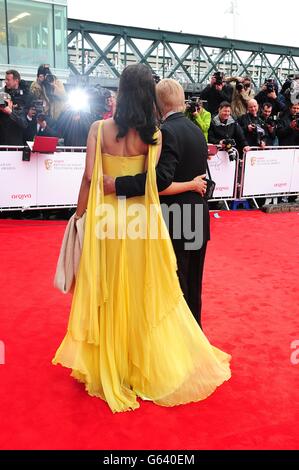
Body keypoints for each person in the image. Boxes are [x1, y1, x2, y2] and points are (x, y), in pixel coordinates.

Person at [52, 64, 231, 413]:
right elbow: (152, 185)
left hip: (106, 221)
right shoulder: (154, 135)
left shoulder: (98, 128)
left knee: (108, 291)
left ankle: (113, 364)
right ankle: (138, 363)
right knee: (140, 292)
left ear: (120, 90)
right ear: (149, 94)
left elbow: (89, 177)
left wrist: (78, 215)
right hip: (141, 223)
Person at [108, 79, 211, 327]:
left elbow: (161, 181)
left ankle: (183, 346)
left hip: (177, 219)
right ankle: (195, 340)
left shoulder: (167, 132)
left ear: (158, 104)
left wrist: (118, 184)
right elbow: (203, 177)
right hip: (198, 215)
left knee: (176, 285)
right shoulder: (197, 129)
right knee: (193, 285)